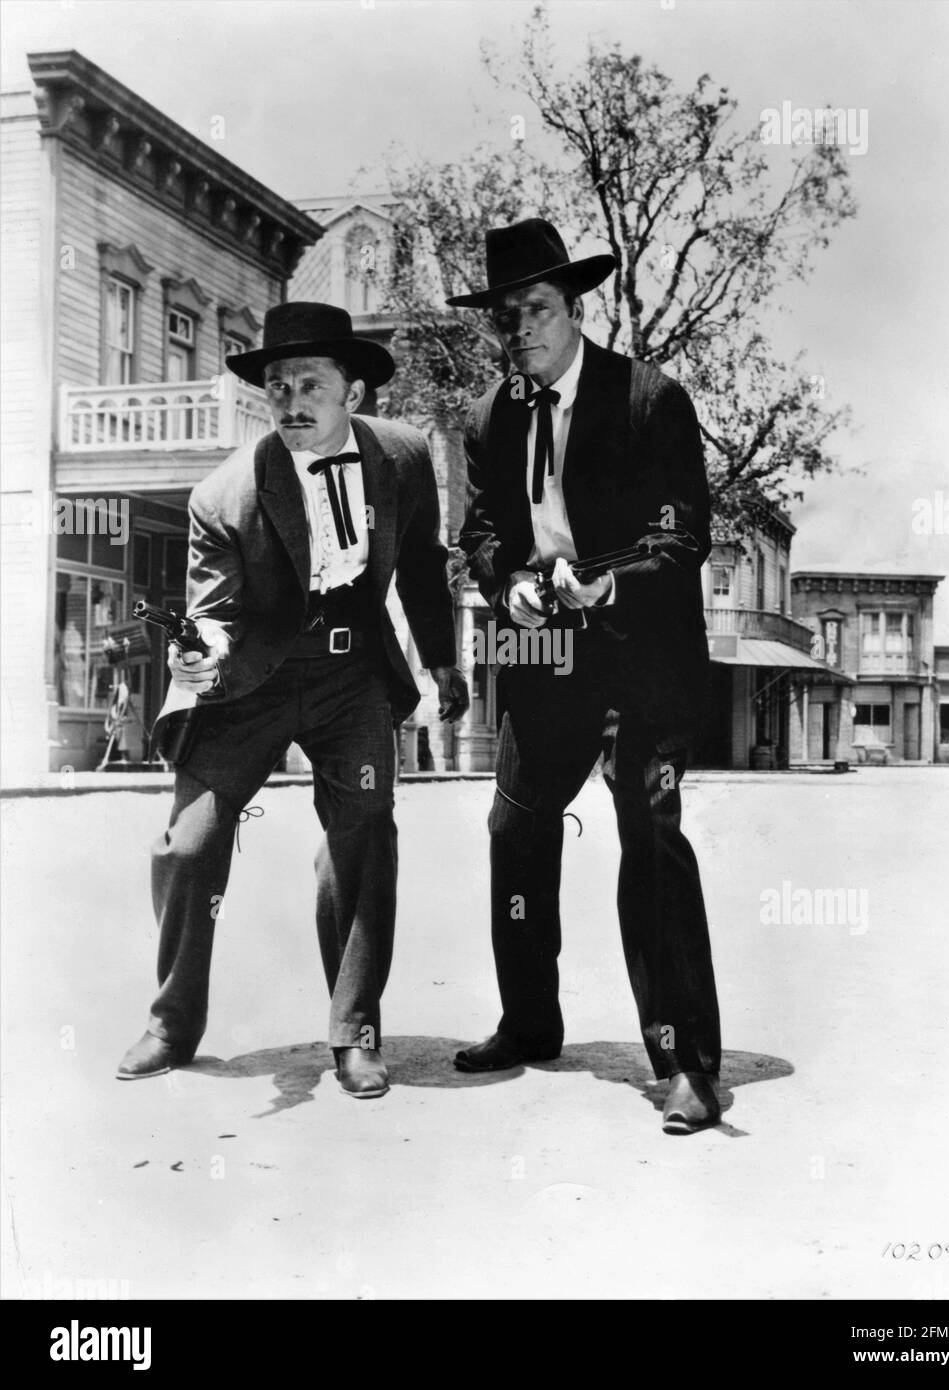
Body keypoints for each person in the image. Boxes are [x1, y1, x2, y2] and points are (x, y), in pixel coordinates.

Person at [117, 302, 468, 1098]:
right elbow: (215, 610)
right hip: (253, 680)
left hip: (354, 678)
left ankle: (355, 1030)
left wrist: (442, 662)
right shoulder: (223, 494)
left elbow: (419, 564)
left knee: (365, 833)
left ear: (355, 392)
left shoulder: (406, 457)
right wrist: (201, 653)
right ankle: (173, 1021)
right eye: (277, 388)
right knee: (187, 845)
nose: (293, 402)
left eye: (311, 383)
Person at [450, 219, 722, 1133]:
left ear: (575, 308)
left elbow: (684, 539)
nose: (518, 329)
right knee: (514, 825)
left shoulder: (650, 400)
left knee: (647, 833)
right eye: (505, 317)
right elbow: (481, 532)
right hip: (544, 653)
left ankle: (687, 1063)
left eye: (534, 309)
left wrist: (606, 581)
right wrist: (509, 586)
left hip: (641, 651)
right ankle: (529, 1021)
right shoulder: (491, 415)